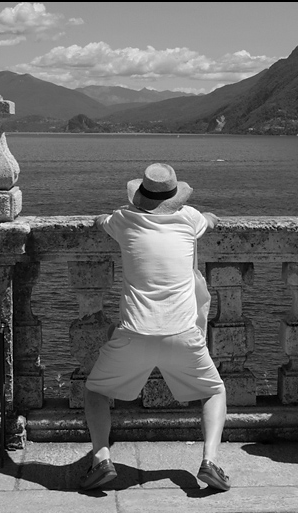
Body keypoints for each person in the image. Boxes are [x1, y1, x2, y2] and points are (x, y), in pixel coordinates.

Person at [80, 162, 230, 491]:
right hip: (183, 334)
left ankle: (101, 459)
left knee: (96, 392)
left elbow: (100, 221)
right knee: (214, 391)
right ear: (175, 197)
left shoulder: (123, 219)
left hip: (135, 333)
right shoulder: (190, 218)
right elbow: (210, 220)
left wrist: (101, 219)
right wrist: (211, 218)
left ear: (141, 196)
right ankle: (210, 461)